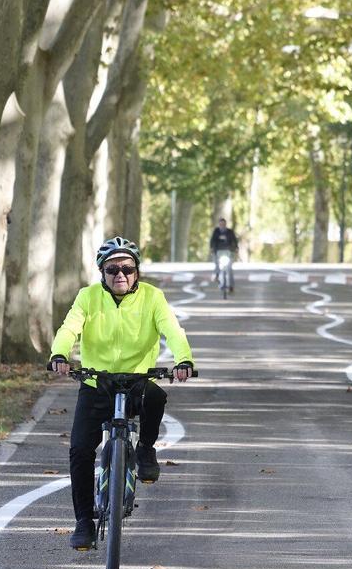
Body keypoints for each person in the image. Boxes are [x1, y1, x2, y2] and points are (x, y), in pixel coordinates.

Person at [49, 237, 194, 550]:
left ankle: (145, 449)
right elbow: (68, 328)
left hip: (136, 382)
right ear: (102, 272)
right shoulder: (88, 297)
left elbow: (172, 330)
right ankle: (84, 522)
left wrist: (184, 360)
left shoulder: (153, 298)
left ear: (137, 272)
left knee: (156, 397)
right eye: (112, 269)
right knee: (80, 451)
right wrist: (60, 354)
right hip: (96, 384)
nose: (121, 275)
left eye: (128, 268)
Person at [209, 217, 238, 293]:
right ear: (219, 224)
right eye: (221, 224)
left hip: (228, 251)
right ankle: (217, 275)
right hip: (218, 251)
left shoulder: (230, 232)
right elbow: (212, 240)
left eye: (223, 224)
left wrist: (236, 248)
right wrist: (212, 248)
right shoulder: (216, 231)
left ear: (225, 224)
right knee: (217, 264)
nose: (222, 225)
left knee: (229, 269)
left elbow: (234, 240)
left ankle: (231, 286)